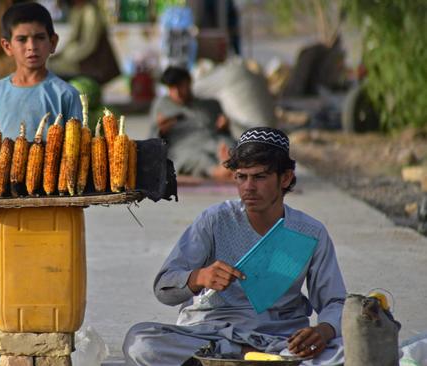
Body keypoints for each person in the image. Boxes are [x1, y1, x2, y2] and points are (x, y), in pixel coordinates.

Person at [123, 127, 347, 365]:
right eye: (242, 177)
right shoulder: (215, 220)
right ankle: (241, 359)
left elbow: (335, 301)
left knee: (355, 351)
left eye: (260, 177)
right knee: (140, 342)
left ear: (286, 178)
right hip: (211, 337)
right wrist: (198, 277)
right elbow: (164, 288)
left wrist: (323, 331)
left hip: (280, 341)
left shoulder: (309, 232)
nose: (248, 187)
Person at [0, 3, 82, 365]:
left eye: (40, 38)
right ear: (6, 46)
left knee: (48, 295)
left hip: (51, 216)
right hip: (0, 217)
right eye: (22, 39)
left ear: (53, 42)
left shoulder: (65, 95)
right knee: (3, 299)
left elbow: (77, 159)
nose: (32, 47)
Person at [151, 66, 234, 182]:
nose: (177, 92)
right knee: (199, 158)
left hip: (212, 140)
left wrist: (224, 127)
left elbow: (224, 131)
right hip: (182, 145)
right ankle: (218, 171)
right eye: (172, 88)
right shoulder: (162, 105)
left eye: (180, 86)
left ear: (189, 83)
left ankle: (232, 165)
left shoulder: (209, 105)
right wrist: (161, 130)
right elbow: (152, 140)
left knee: (229, 145)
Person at [48, 0, 120, 85]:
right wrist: (59, 55)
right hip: (81, 62)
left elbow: (88, 45)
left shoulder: (90, 11)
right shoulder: (77, 10)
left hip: (93, 66)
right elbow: (72, 38)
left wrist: (67, 58)